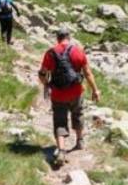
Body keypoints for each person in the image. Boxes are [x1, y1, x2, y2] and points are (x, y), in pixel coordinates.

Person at [38, 28, 101, 164]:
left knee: (59, 120)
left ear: (57, 38)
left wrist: (47, 84)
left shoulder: (50, 53)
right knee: (78, 114)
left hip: (58, 93)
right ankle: (80, 141)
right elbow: (88, 73)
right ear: (69, 37)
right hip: (76, 91)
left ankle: (61, 150)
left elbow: (42, 73)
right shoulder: (78, 51)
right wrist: (95, 90)